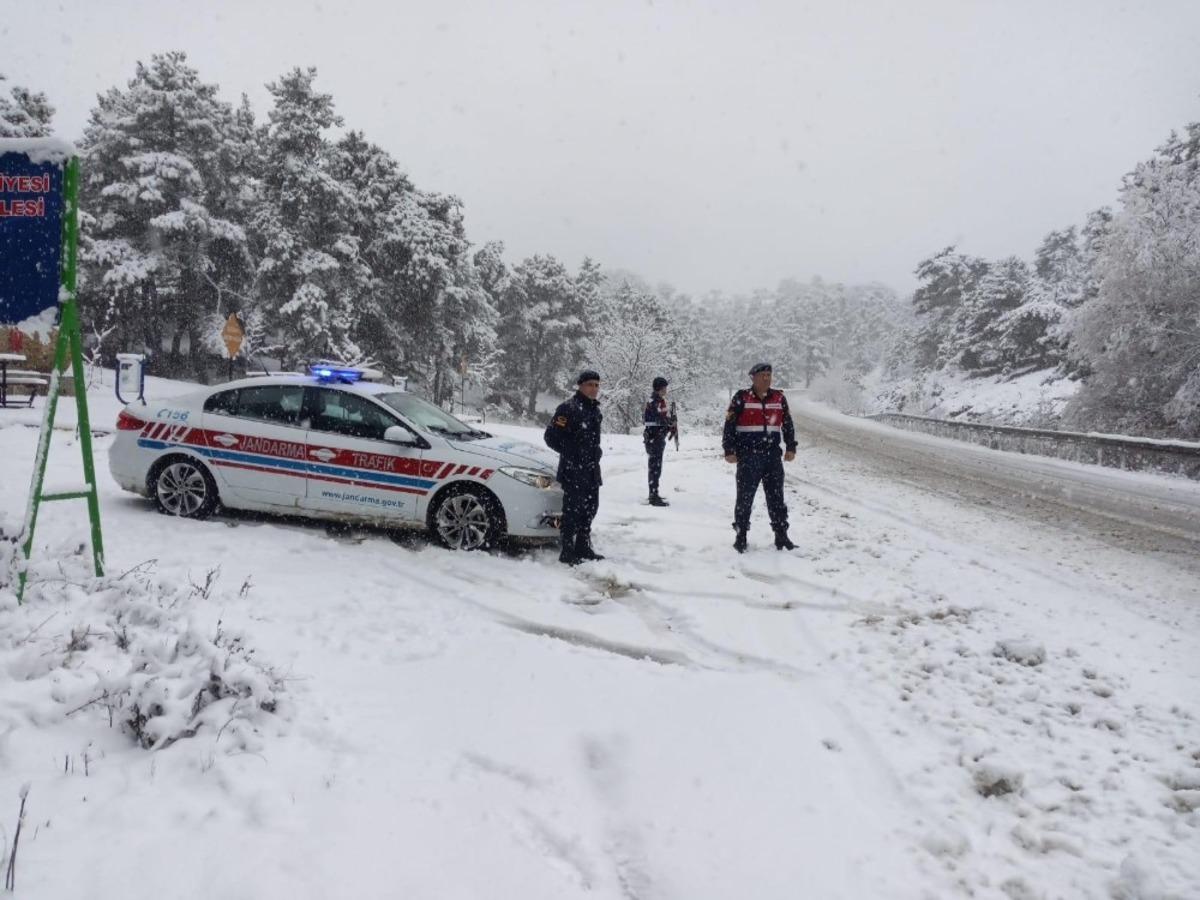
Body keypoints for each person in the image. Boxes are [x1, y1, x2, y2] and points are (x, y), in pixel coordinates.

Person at [722, 362, 798, 553]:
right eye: (763, 375)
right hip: (748, 456)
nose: (767, 378)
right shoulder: (741, 398)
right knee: (745, 499)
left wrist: (791, 446)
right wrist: (729, 450)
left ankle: (782, 536)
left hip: (772, 457)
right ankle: (741, 536)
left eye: (769, 375)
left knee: (777, 499)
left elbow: (787, 423)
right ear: (753, 378)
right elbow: (729, 425)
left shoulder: (779, 398)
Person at [544, 370, 605, 566]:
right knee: (572, 511)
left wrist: (596, 452)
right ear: (580, 385)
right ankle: (567, 551)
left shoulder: (594, 409)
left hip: (591, 469)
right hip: (573, 469)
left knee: (590, 508)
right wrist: (573, 453)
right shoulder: (568, 408)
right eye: (590, 384)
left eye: (597, 385)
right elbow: (551, 437)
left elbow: (591, 439)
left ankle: (583, 546)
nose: (594, 388)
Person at [642, 375, 676, 506]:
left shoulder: (660, 401)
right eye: (664, 387)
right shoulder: (653, 402)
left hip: (658, 438)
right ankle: (653, 496)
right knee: (654, 468)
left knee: (657, 467)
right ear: (659, 388)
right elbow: (655, 419)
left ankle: (654, 493)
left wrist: (670, 425)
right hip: (653, 438)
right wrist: (668, 422)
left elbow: (662, 418)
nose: (666, 390)